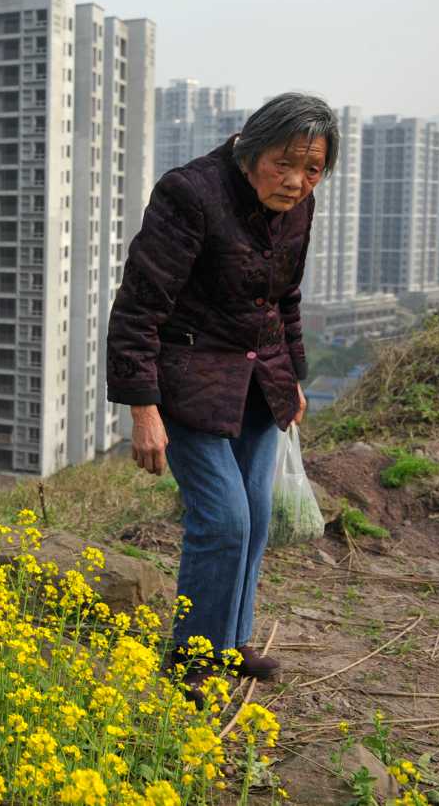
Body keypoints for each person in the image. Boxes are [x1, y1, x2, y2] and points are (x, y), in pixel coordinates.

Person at [107, 93, 338, 698]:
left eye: (313, 169)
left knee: (255, 520)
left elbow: (285, 298)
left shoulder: (298, 206)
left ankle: (230, 643)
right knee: (224, 520)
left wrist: (292, 376)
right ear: (250, 149)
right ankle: (192, 655)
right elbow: (138, 307)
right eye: (284, 164)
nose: (296, 182)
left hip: (260, 385)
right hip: (191, 382)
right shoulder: (190, 193)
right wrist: (143, 408)